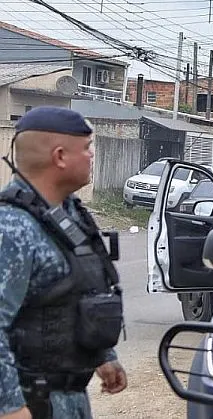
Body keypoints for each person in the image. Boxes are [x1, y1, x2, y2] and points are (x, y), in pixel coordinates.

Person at [0, 107, 128, 419]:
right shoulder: (12, 227)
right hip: (29, 401)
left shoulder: (68, 215)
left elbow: (79, 292)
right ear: (59, 156)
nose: (92, 155)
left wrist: (103, 355)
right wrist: (10, 406)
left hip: (68, 399)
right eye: (86, 148)